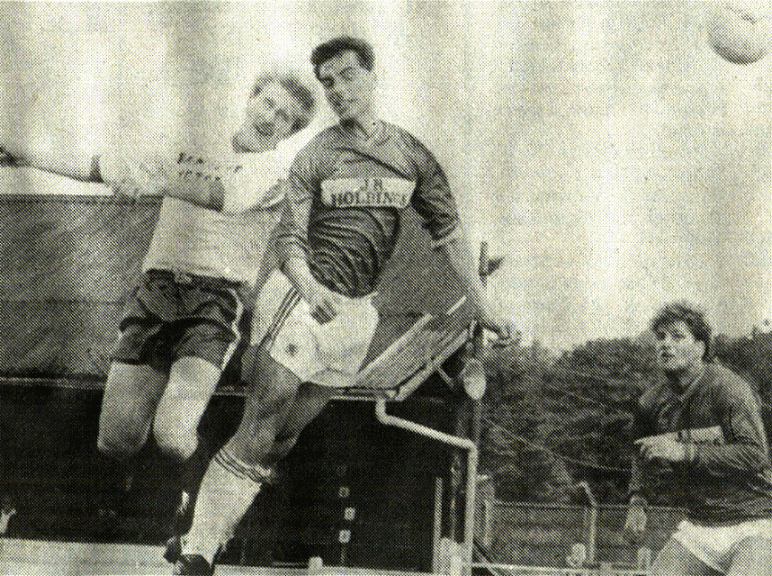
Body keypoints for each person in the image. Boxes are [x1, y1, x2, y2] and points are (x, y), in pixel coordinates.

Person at [170, 36, 518, 575]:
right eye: (328, 82)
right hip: (300, 300)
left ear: (372, 76)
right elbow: (287, 237)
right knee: (263, 420)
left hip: (357, 317)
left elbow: (448, 232)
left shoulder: (412, 155)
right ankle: (198, 553)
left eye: (348, 76)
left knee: (282, 440)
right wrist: (310, 290)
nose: (338, 90)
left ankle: (196, 515)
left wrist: (483, 308)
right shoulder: (316, 155)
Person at [1, 70, 316, 538]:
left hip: (214, 302)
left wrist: (153, 183)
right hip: (156, 292)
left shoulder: (274, 174)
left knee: (172, 435)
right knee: (117, 441)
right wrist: (22, 154)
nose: (270, 118)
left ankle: (195, 496)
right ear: (250, 100)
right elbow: (99, 165)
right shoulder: (189, 146)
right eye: (267, 104)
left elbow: (221, 196)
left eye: (284, 118)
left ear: (290, 133)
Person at [624, 301, 772, 575]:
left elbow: (755, 455)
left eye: (677, 336)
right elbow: (640, 453)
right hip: (700, 525)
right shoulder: (650, 402)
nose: (665, 344)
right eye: (661, 337)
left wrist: (684, 451)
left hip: (756, 522)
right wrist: (637, 501)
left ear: (701, 347)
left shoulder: (729, 389)